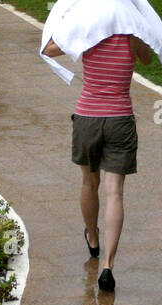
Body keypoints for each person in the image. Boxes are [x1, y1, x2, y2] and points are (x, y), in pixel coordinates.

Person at [42, 32, 152, 291]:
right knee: (115, 193)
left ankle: (92, 236)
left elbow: (49, 50)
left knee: (89, 184)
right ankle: (107, 266)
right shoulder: (131, 38)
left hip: (87, 118)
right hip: (120, 120)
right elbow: (147, 59)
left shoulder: (88, 35)